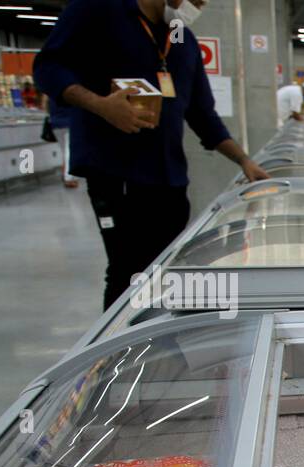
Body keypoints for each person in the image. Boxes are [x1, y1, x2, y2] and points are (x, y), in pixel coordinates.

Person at [33, 0, 269, 310]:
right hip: (117, 175)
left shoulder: (181, 39)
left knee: (165, 268)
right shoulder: (97, 11)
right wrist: (100, 105)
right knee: (127, 272)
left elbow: (202, 115)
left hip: (169, 180)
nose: (200, 5)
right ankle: (123, 352)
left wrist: (244, 160)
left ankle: (161, 347)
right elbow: (47, 68)